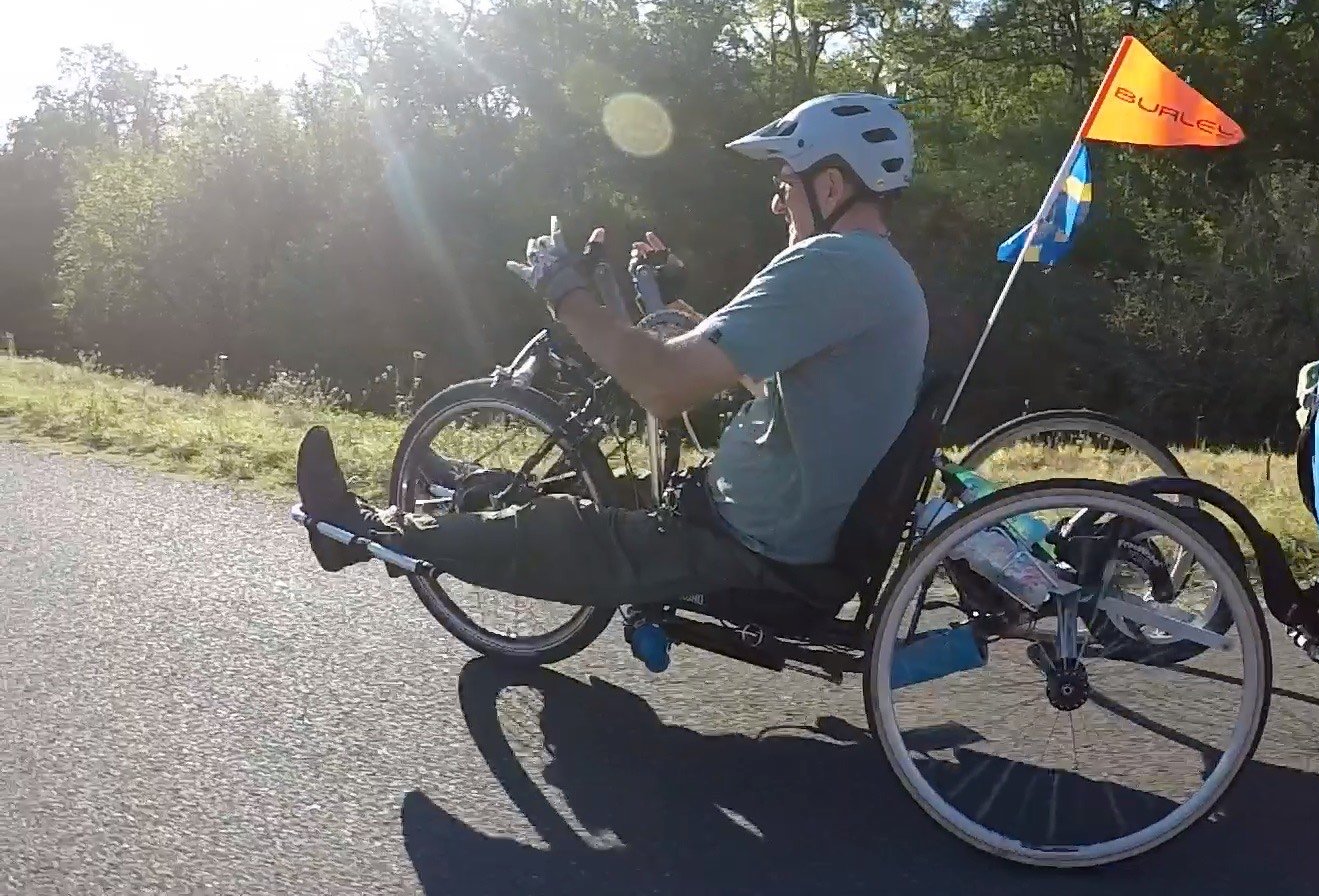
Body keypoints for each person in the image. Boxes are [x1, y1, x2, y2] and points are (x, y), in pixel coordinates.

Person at [294, 92, 929, 608]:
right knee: (603, 490)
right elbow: (789, 387)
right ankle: (457, 485)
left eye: (786, 181)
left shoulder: (833, 264)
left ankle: (361, 532)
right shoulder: (881, 273)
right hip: (773, 520)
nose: (776, 199)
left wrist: (564, 293)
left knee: (561, 533)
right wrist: (701, 329)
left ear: (832, 184)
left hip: (751, 544)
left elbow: (662, 386)